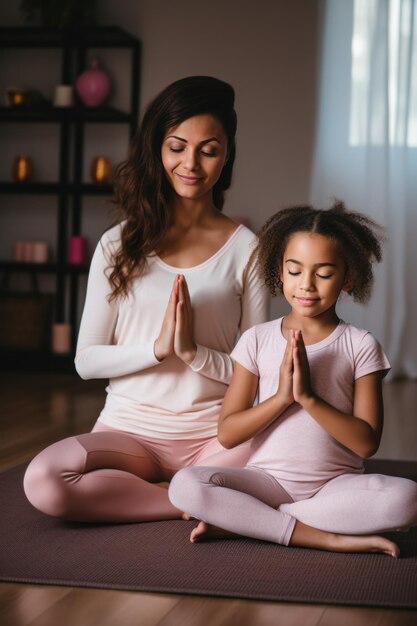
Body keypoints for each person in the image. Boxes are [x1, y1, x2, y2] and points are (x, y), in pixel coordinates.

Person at [23, 76, 270, 522]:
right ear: (158, 147)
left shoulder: (247, 250)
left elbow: (254, 373)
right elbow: (87, 361)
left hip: (217, 438)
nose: (190, 163)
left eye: (208, 150)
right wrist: (157, 350)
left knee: (290, 448)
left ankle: (166, 493)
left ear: (226, 153)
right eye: (177, 147)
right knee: (44, 479)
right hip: (130, 432)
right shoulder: (117, 245)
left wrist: (191, 353)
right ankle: (185, 499)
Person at [169, 202, 417, 557]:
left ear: (348, 277)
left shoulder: (361, 345)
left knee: (407, 500)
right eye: (295, 270)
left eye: (324, 273)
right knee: (185, 484)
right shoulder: (256, 339)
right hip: (265, 483)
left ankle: (253, 521)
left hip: (334, 488)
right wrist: (282, 398)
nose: (307, 285)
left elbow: (366, 444)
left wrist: (309, 398)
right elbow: (228, 433)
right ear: (280, 273)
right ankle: (322, 535)